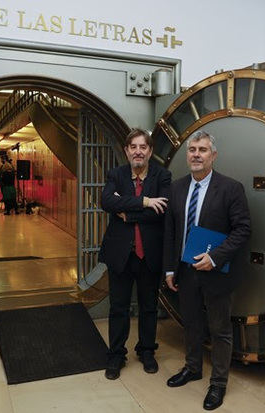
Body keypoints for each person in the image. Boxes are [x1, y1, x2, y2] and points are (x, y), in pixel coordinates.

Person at [163, 131, 251, 410]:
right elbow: (170, 233)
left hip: (217, 272)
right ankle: (192, 368)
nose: (196, 155)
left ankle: (218, 384)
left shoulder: (231, 188)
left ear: (213, 155)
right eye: (192, 150)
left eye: (202, 150)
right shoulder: (176, 188)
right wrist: (168, 269)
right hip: (185, 271)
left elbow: (243, 230)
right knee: (190, 323)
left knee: (220, 329)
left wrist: (215, 257)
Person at [99, 128, 172, 380]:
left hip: (149, 253)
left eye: (143, 147)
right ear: (127, 150)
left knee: (148, 307)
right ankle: (116, 355)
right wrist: (144, 202)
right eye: (133, 147)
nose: (138, 151)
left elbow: (161, 210)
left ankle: (147, 351)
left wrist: (126, 211)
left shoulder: (162, 175)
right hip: (120, 253)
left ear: (150, 151)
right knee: (118, 307)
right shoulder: (116, 174)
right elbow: (107, 202)